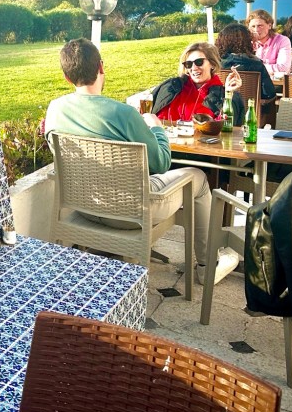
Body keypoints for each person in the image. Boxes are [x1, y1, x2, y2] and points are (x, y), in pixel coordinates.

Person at [43, 38, 238, 285]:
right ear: (101, 67)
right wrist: (156, 128)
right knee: (198, 177)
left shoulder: (55, 109)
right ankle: (207, 266)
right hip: (131, 213)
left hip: (83, 207)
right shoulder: (123, 113)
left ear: (66, 77)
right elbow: (161, 163)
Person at [151, 41, 246, 124]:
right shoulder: (172, 87)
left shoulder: (222, 95)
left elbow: (224, 128)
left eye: (199, 62)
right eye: (188, 64)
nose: (194, 68)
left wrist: (229, 94)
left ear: (212, 64)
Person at [215, 23, 277, 101]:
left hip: (221, 106)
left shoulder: (215, 64)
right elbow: (269, 93)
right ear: (247, 41)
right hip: (251, 107)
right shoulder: (256, 64)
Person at [248, 9, 291, 75]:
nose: (256, 30)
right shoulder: (248, 42)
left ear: (269, 26)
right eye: (253, 26)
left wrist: (253, 68)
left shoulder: (282, 40)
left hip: (273, 81)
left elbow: (283, 68)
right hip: (250, 79)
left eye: (260, 26)